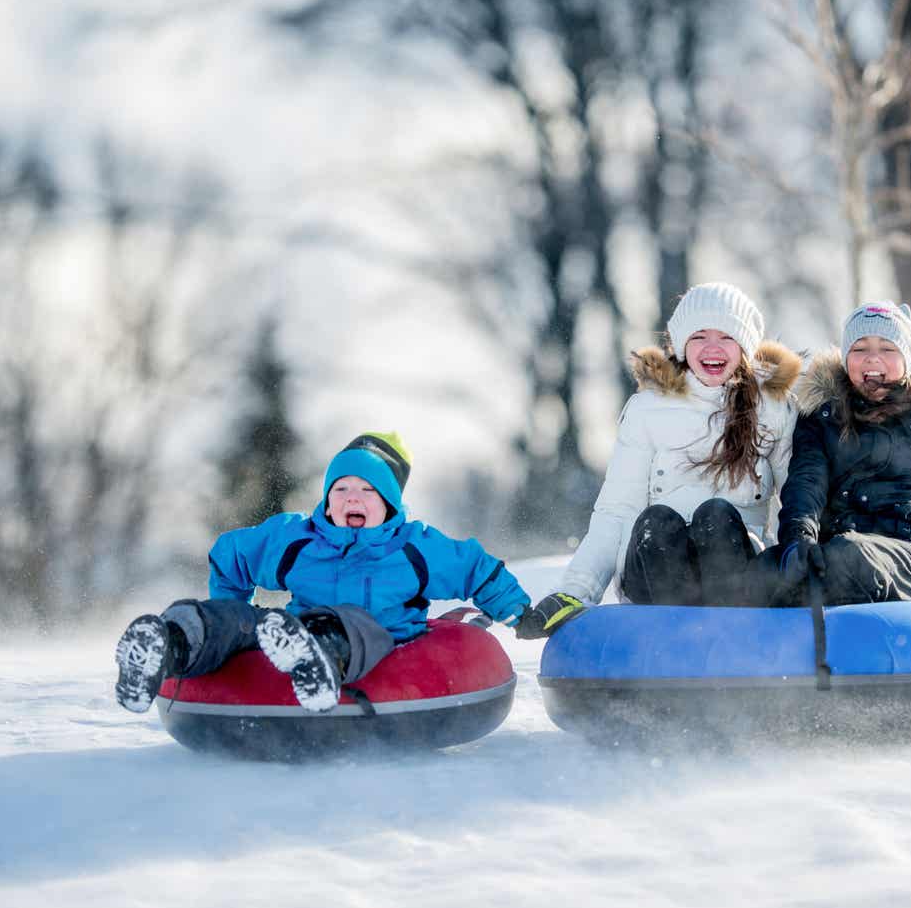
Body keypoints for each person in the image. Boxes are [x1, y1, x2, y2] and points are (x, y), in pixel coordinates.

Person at [114, 431, 537, 714]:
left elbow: (475, 568)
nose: (353, 497)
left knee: (354, 624)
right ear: (328, 500)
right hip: (289, 628)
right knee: (245, 622)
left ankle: (317, 658)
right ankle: (171, 642)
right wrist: (231, 611)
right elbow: (231, 556)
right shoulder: (298, 537)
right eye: (341, 489)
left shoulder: (412, 546)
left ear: (388, 504)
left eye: (368, 490)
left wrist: (518, 610)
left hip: (374, 635)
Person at [519, 282, 802, 637]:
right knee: (659, 521)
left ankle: (734, 643)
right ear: (682, 344)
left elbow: (798, 501)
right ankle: (668, 650)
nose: (712, 348)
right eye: (699, 336)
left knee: (716, 516)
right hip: (654, 572)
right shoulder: (648, 408)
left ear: (743, 344)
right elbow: (617, 509)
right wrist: (575, 591)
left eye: (726, 337)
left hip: (736, 574)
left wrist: (810, 576)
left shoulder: (774, 409)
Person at [770, 300, 911, 607]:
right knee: (764, 571)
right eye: (860, 349)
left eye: (887, 349)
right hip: (830, 551)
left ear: (907, 358)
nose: (872, 359)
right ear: (845, 358)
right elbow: (806, 482)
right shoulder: (822, 417)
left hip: (908, 558)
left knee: (849, 556)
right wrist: (799, 540)